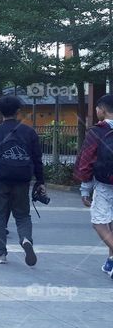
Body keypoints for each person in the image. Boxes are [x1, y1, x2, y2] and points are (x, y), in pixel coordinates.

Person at [0, 95, 45, 266]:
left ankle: (0, 254)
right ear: (18, 112)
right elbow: (38, 158)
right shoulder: (29, 131)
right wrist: (40, 181)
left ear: (0, 111)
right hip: (22, 180)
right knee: (23, 215)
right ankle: (25, 239)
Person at [74, 93, 113, 276]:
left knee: (99, 222)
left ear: (103, 110)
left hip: (105, 185)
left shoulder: (97, 131)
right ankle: (110, 263)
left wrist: (85, 189)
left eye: (97, 108)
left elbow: (86, 161)